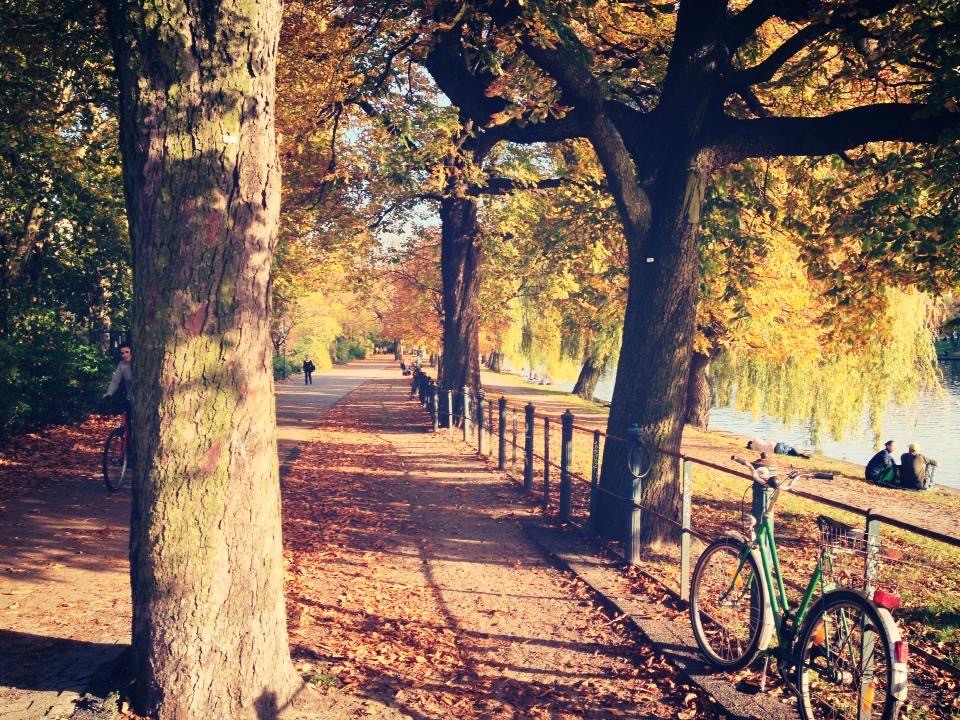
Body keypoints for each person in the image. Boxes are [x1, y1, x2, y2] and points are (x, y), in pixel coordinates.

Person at [103, 343, 134, 466]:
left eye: (127, 352)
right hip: (129, 397)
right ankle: (127, 454)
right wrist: (109, 393)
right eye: (122, 353)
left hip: (141, 398)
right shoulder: (122, 365)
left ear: (131, 352)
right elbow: (115, 380)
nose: (124, 355)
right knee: (127, 424)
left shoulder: (138, 363)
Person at [746, 438, 810, 459]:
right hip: (778, 444)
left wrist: (748, 447)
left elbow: (750, 448)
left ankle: (800, 456)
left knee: (790, 455)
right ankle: (801, 455)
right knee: (792, 450)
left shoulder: (753, 446)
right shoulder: (757, 439)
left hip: (776, 450)